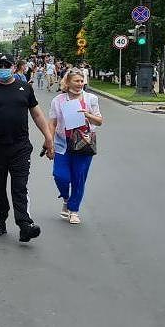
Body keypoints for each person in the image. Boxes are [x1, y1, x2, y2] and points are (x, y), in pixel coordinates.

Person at [0, 53, 55, 243]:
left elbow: (37, 115)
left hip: (20, 147)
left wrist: (48, 137)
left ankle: (24, 224)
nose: (3, 68)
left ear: (13, 67)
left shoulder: (24, 88)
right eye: (0, 65)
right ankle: (0, 220)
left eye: (6, 65)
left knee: (19, 186)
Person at [48, 68, 103, 225]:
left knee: (79, 177)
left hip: (83, 143)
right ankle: (66, 198)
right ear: (67, 82)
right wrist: (49, 141)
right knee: (60, 175)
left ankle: (73, 210)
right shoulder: (58, 100)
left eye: (81, 81)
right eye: (76, 81)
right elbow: (52, 123)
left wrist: (87, 115)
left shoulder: (91, 99)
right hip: (62, 143)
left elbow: (99, 121)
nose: (80, 84)